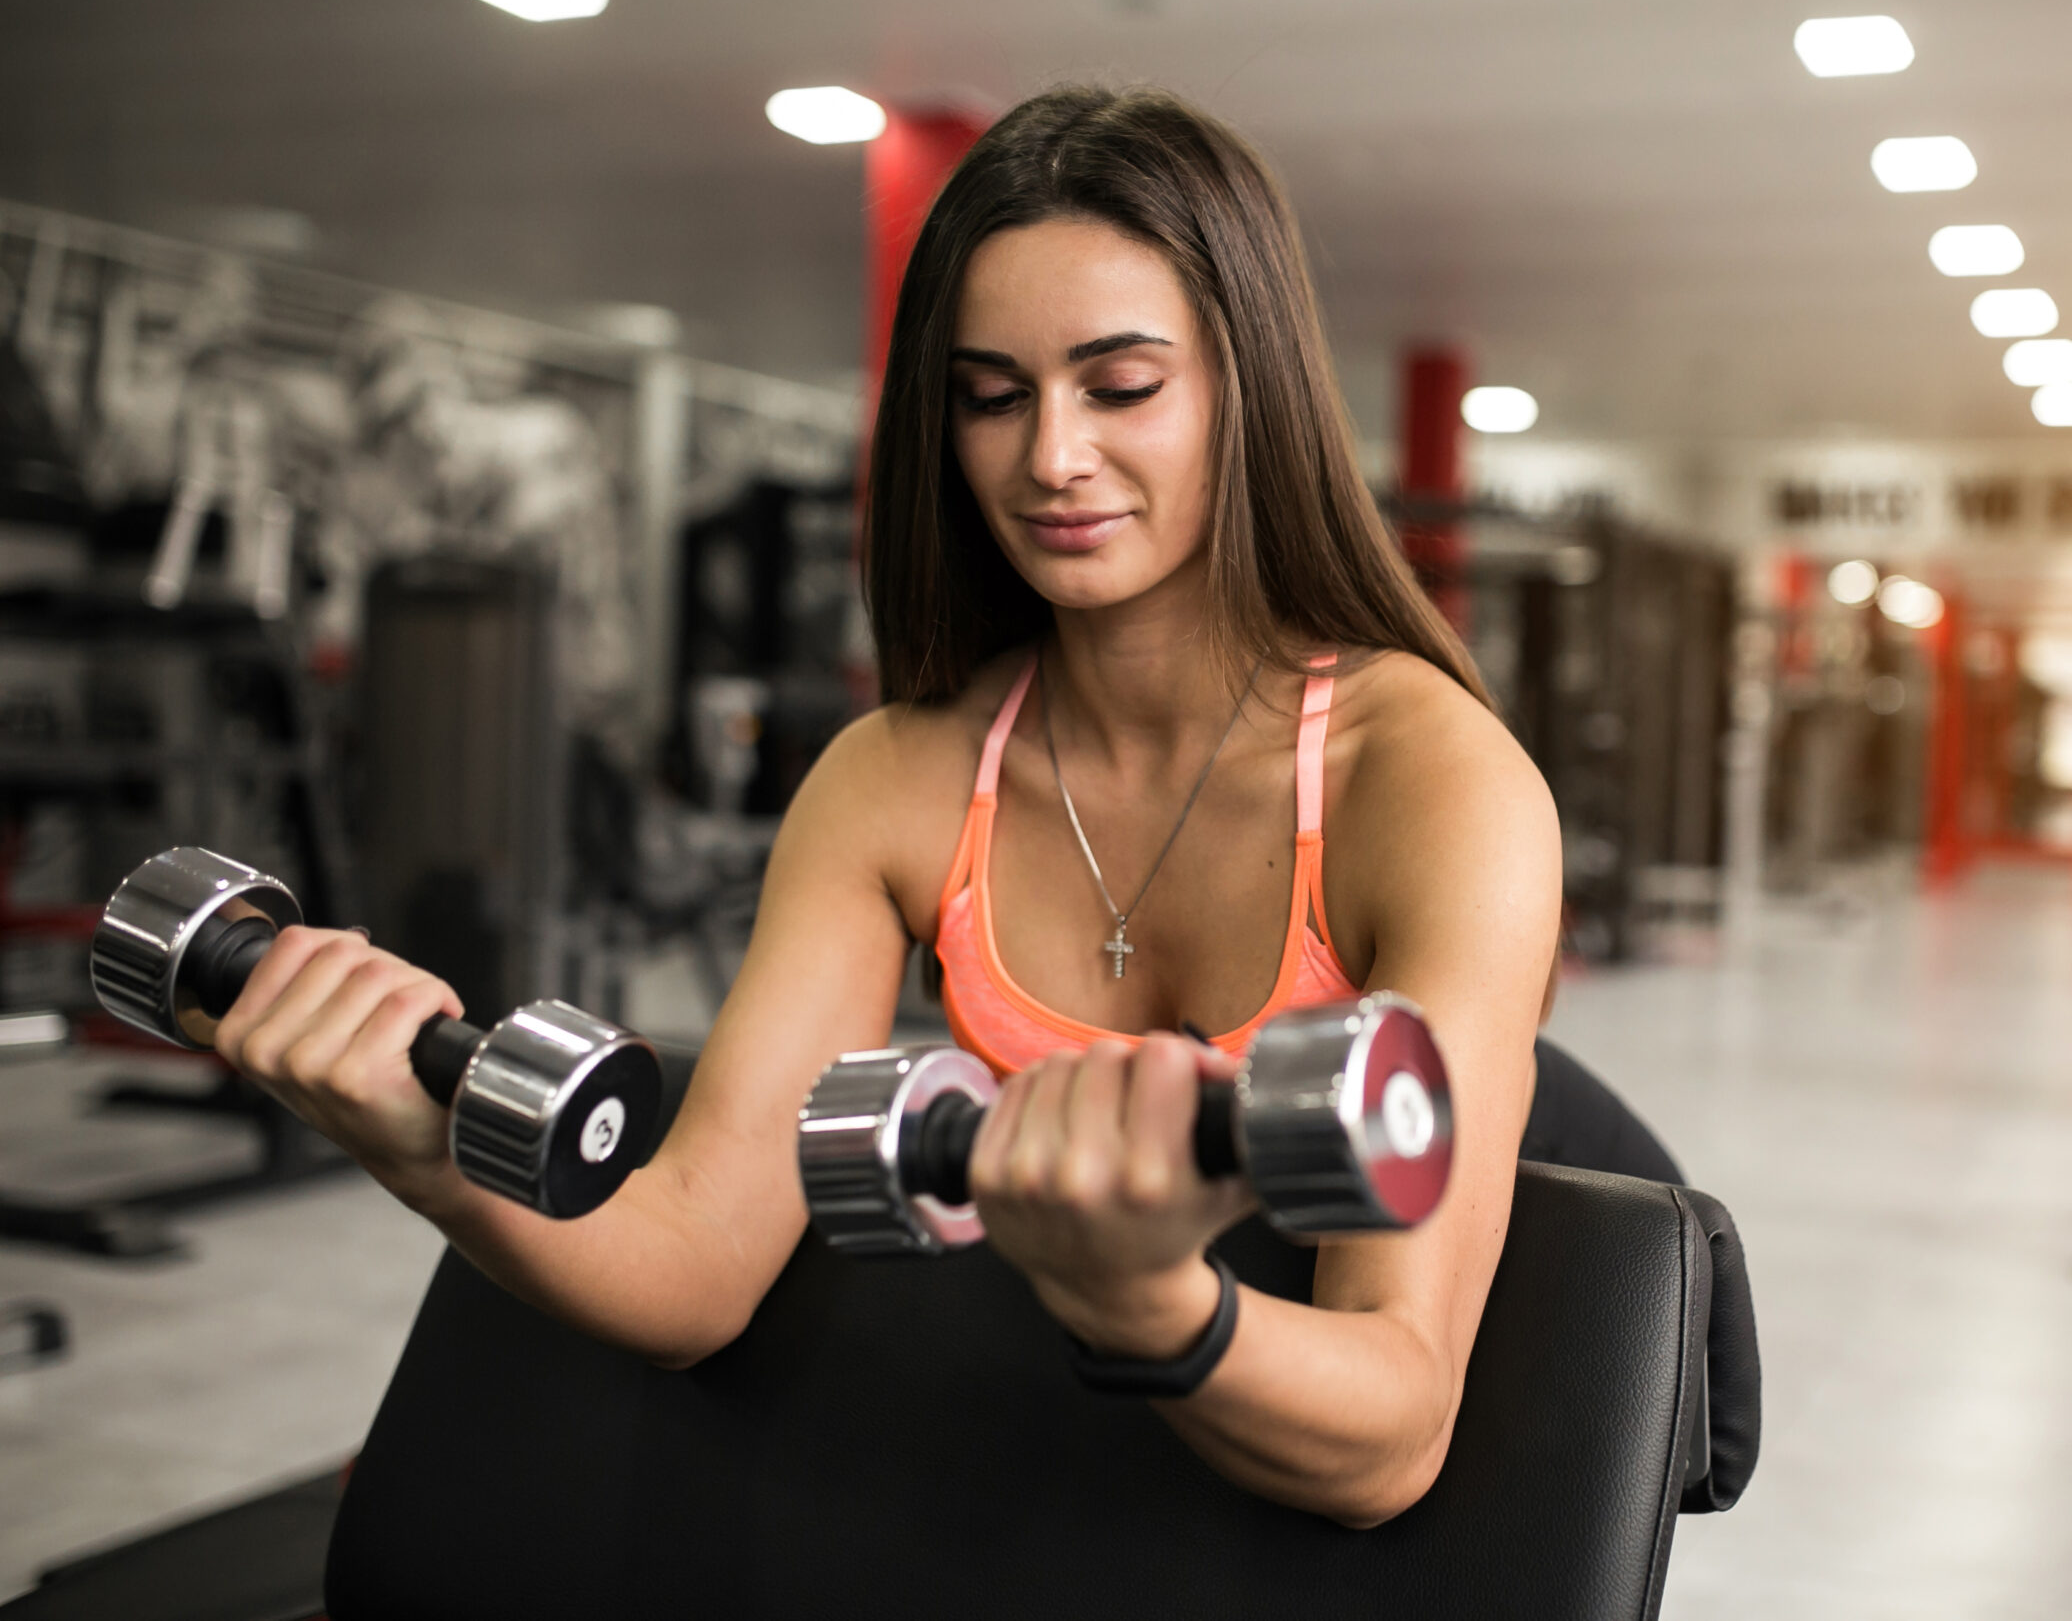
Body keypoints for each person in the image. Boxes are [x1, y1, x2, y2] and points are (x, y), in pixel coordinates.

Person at [212, 84, 1561, 1529]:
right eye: (992, 395)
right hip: (1066, 1492)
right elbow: (699, 1261)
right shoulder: (900, 781)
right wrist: (428, 1154)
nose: (1050, 456)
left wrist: (1154, 1300)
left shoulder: (1429, 780)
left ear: (1249, 386)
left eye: (1120, 386)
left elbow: (1395, 1429)